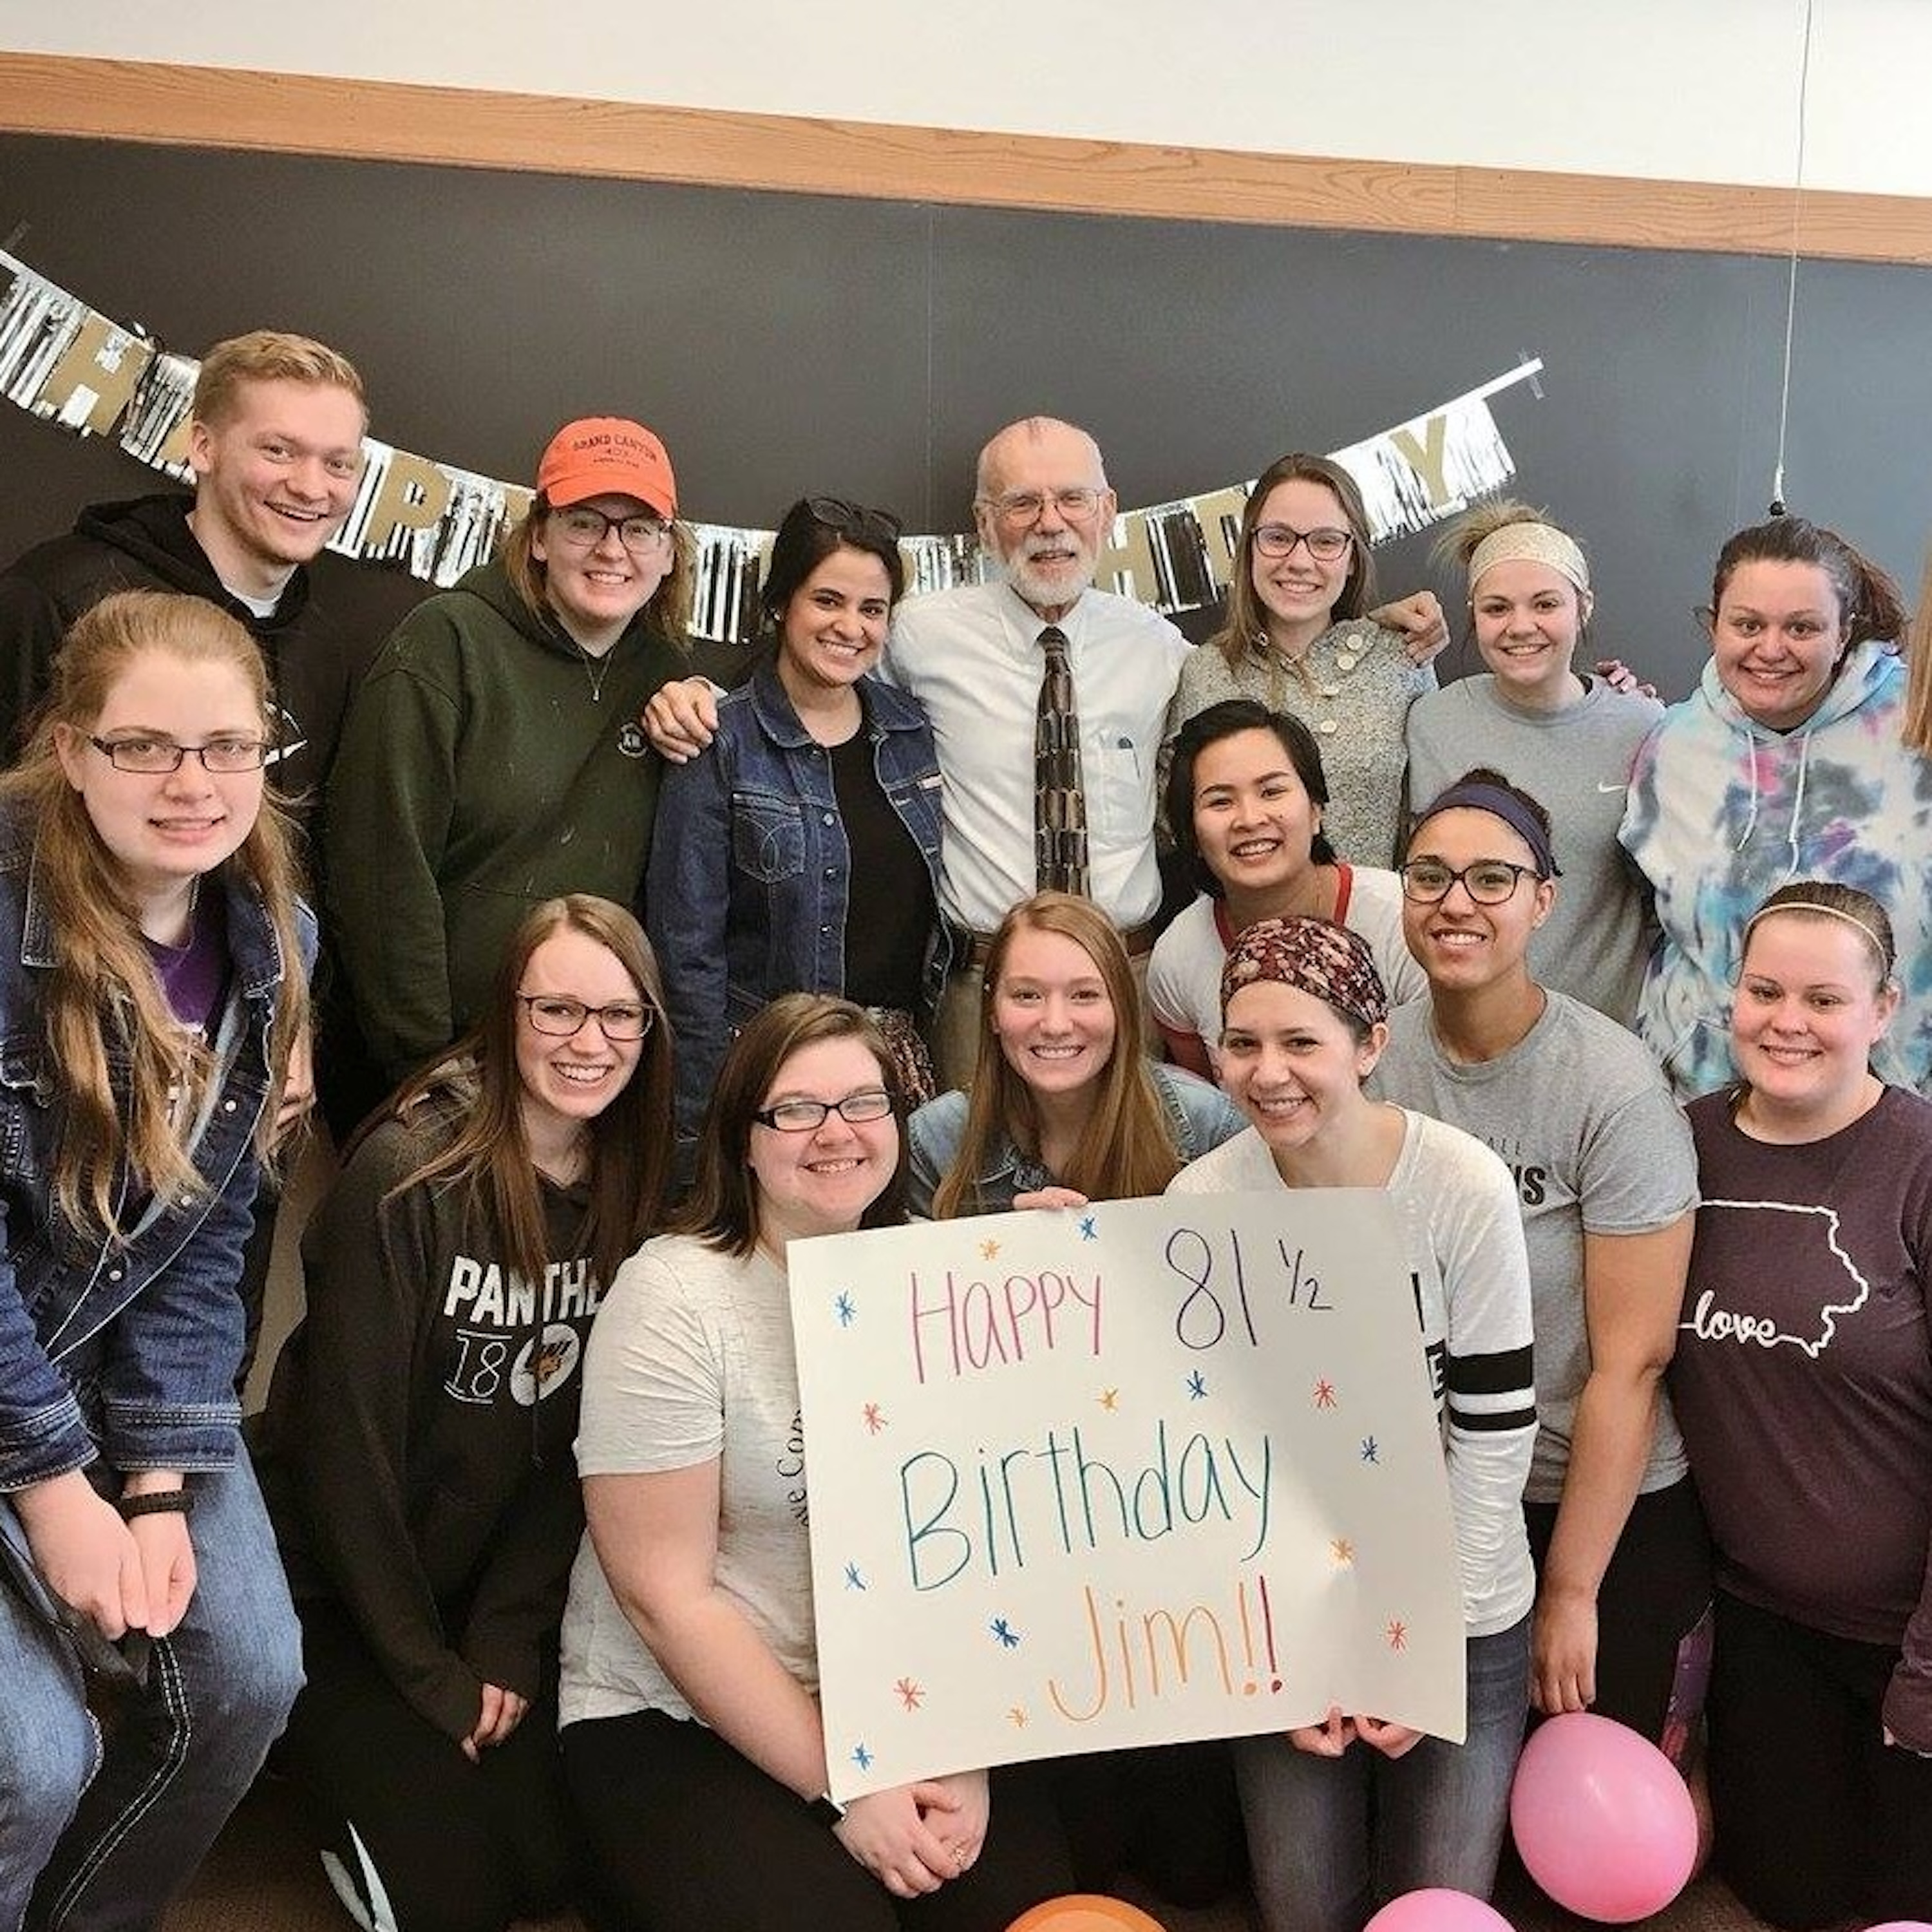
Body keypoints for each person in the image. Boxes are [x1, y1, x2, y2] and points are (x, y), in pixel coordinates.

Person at [643, 417, 1446, 1088]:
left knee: (1132, 1196)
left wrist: (1371, 632)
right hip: (980, 988)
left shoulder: (1162, 650)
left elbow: (1275, 698)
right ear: (984, 522)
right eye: (1022, 503)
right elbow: (816, 680)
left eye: (1071, 499)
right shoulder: (916, 636)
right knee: (972, 1198)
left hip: (1130, 978)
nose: (1049, 523)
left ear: (1107, 511)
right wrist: (702, 697)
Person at [558, 993, 1074, 1929]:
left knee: (1021, 1909)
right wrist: (851, 1783)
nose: (837, 1133)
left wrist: (966, 1747)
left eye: (865, 1103)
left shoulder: (938, 1281)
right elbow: (666, 1599)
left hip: (892, 1694)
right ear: (743, 1142)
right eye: (795, 1109)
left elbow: (991, 1537)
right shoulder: (674, 1297)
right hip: (674, 1713)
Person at [254, 895, 673, 1931]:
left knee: (554, 1865)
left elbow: (584, 1446)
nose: (589, 1043)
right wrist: (429, 1674)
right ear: (507, 1012)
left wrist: (504, 1639)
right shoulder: (409, 1174)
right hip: (343, 1591)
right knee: (457, 1894)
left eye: (619, 1015)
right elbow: (343, 1454)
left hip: (480, 1587)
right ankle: (320, 1789)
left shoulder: (635, 1183)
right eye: (556, 1010)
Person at [0, 589, 311, 1924]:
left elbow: (206, 1235)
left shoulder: (273, 941)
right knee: (30, 1760)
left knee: (250, 1677)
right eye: (145, 747)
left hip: (115, 1362)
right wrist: (54, 1484)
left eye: (228, 747)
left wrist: (160, 1480)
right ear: (73, 750)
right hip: (14, 1369)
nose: (194, 785)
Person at [1169, 916, 1536, 1932]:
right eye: (1243, 1043)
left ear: (1370, 1045)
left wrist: (1425, 1644)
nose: (1268, 1072)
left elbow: (1494, 1432)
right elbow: (1217, 1461)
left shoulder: (1460, 1185)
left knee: (1436, 1904)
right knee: (1304, 1909)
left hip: (1462, 1605)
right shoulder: (1203, 1200)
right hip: (1292, 1612)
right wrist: (1281, 1653)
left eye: (1301, 1042)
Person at [1369, 771, 1708, 1759]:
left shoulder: (1610, 1084)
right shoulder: (1375, 1064)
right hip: (1445, 1491)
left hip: (1591, 1499)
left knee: (1603, 1791)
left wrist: (1570, 1590)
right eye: (1429, 876)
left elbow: (1632, 1364)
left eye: (1492, 878)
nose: (1456, 902)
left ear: (1543, 900)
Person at [1669, 882, 1932, 1929]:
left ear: (1884, 1010)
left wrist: (1926, 1674)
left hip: (1909, 1632)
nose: (1787, 1022)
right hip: (1762, 1624)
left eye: (1824, 1000)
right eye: (1764, 990)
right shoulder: (1678, 1145)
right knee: (1787, 1896)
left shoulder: (1918, 1166)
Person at [327, 415, 690, 1097]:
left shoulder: (667, 679)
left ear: (669, 552)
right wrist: (424, 1062)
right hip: (444, 1067)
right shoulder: (447, 644)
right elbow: (380, 866)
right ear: (540, 536)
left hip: (586, 1068)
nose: (612, 549)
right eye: (585, 522)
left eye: (640, 528)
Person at [648, 497, 945, 1164]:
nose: (851, 627)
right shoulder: (719, 740)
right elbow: (687, 955)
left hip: (895, 1076)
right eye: (828, 601)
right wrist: (700, 1127)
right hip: (771, 1073)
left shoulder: (911, 731)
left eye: (872, 609)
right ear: (782, 603)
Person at [1620, 515, 1931, 1096]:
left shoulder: (1917, 726)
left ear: (1844, 633)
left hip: (1888, 1101)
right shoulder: (1674, 747)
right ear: (1714, 626)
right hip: (1706, 1099)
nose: (1771, 649)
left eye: (1802, 628)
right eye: (1748, 624)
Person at [1405, 500, 1663, 1025]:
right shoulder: (1432, 720)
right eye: (1497, 608)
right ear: (1474, 614)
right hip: (1465, 1027)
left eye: (1545, 604)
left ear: (1583, 607)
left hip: (1604, 1035)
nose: (1521, 626)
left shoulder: (1643, 725)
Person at [1165, 451, 1441, 866]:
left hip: (1377, 904)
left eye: (1326, 541)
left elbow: (1438, 814)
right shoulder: (1207, 671)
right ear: (1250, 548)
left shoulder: (1402, 657)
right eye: (1278, 538)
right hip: (1246, 907)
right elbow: (1173, 820)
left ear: (1353, 558)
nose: (1298, 561)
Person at [1151, 698, 1424, 1080]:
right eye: (1221, 801)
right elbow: (1207, 1104)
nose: (1249, 819)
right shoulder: (1179, 956)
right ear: (1191, 832)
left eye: (1272, 792)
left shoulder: (1407, 916)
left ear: (1316, 810)